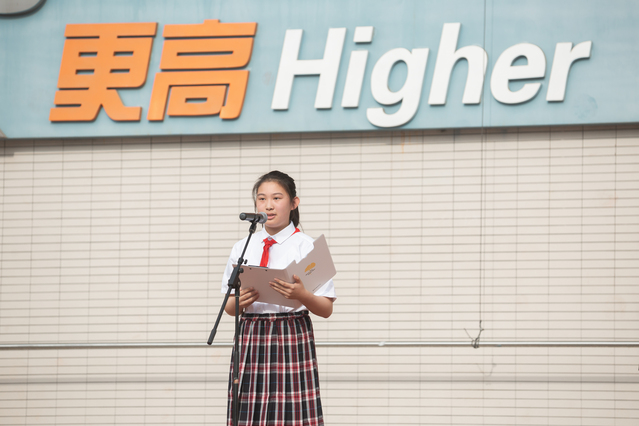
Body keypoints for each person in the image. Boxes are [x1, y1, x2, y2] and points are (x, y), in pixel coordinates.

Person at [221, 170, 336, 426]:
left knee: (291, 411)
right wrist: (240, 302)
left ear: (294, 203)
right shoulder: (242, 247)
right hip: (251, 332)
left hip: (291, 332)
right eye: (262, 199)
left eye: (276, 198)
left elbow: (326, 309)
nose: (268, 205)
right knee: (249, 409)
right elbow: (228, 307)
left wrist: (301, 294)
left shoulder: (307, 246)